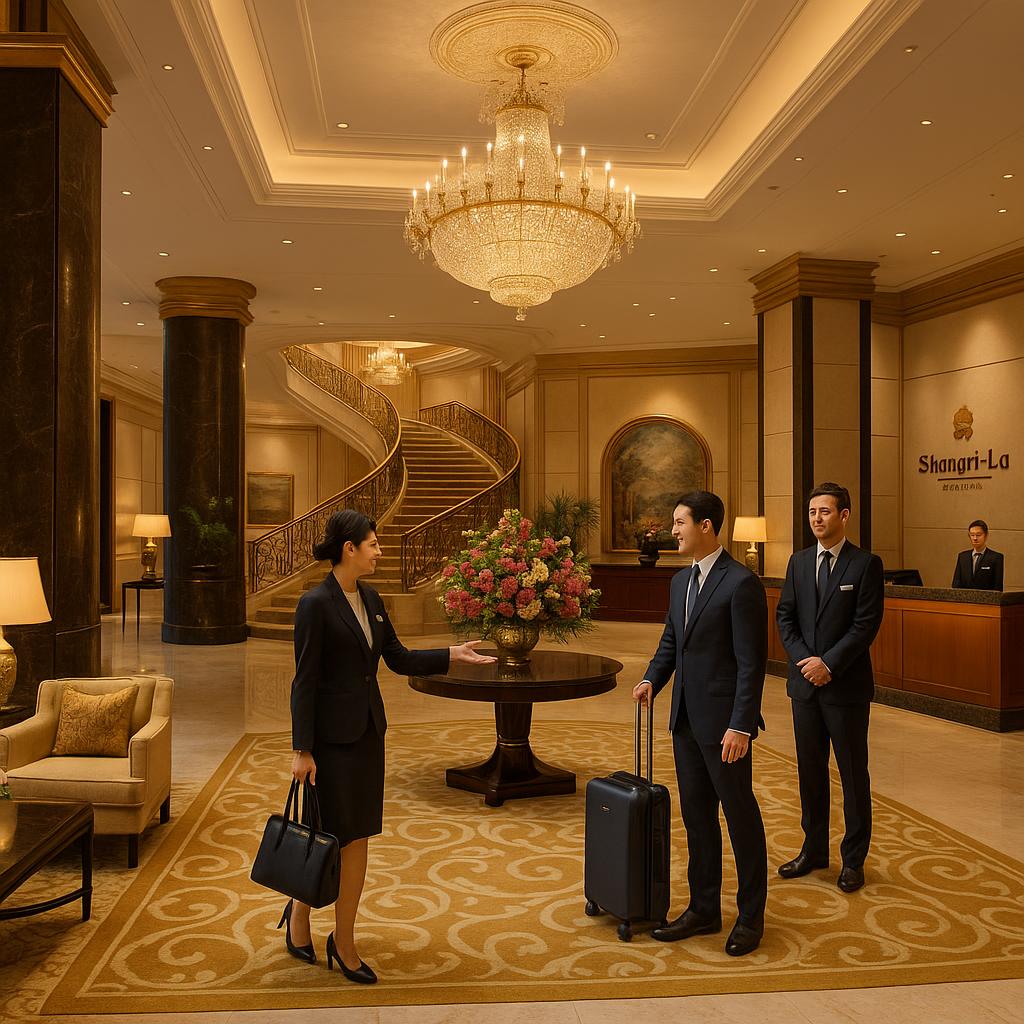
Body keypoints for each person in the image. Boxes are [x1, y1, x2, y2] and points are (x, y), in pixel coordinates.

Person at [283, 509, 494, 983]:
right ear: (349, 549)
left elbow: (396, 658)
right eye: (373, 544)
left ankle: (343, 939)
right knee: (323, 834)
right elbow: (304, 681)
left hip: (366, 737)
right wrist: (302, 749)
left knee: (356, 836)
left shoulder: (373, 599)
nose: (379, 551)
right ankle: (298, 919)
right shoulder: (314, 604)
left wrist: (450, 654)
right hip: (328, 744)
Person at [632, 491, 769, 957]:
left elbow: (752, 665)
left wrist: (742, 726)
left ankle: (751, 916)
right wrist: (653, 678)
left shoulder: (740, 584)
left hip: (725, 728)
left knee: (740, 819)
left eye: (679, 522)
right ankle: (704, 908)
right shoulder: (679, 583)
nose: (672, 531)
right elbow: (673, 638)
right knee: (696, 819)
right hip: (685, 722)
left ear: (706, 526)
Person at [775, 482, 884, 894]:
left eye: (824, 511)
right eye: (811, 511)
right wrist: (807, 663)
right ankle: (814, 849)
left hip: (846, 689)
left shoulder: (865, 565)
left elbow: (865, 626)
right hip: (805, 688)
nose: (816, 518)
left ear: (844, 516)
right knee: (810, 772)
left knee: (853, 775)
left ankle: (853, 859)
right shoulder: (798, 562)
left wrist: (829, 664)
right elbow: (785, 617)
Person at [951, 520, 1004, 590]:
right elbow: (956, 583)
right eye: (972, 535)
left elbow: (998, 587)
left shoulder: (996, 557)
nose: (975, 538)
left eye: (978, 535)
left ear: (986, 535)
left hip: (986, 599)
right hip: (964, 599)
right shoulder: (962, 557)